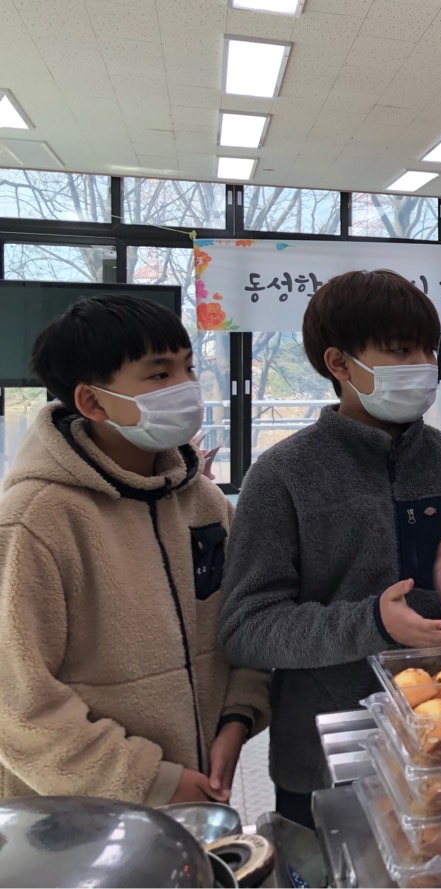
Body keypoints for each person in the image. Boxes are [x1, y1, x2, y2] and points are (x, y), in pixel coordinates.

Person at [218, 269, 441, 828]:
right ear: (339, 363)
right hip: (325, 761)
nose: (423, 366)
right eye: (401, 351)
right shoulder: (282, 476)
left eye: (427, 350)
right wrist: (374, 622)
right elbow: (247, 626)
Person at [0, 295, 268, 804]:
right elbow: (17, 707)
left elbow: (244, 621)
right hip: (78, 819)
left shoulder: (204, 501)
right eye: (160, 374)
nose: (186, 387)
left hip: (195, 800)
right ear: (92, 402)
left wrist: (239, 715)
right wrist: (151, 780)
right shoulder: (35, 520)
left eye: (188, 368)